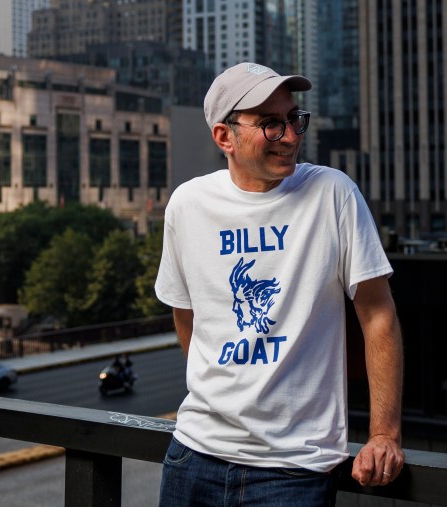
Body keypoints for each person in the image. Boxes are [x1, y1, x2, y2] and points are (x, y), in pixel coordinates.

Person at [154, 62, 404, 506]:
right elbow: (184, 312)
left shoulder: (333, 193)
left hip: (293, 470)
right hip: (193, 456)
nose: (290, 136)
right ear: (224, 137)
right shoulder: (188, 205)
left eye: (293, 119)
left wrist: (384, 433)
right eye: (270, 124)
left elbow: (378, 314)